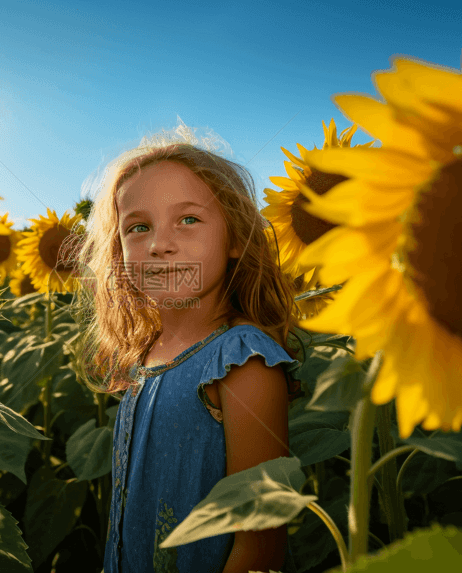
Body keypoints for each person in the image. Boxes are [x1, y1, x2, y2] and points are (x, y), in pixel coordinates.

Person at [68, 125, 303, 573]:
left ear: (235, 238)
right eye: (138, 227)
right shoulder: (147, 357)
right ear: (119, 252)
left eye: (189, 219)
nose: (160, 244)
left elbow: (259, 546)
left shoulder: (241, 360)